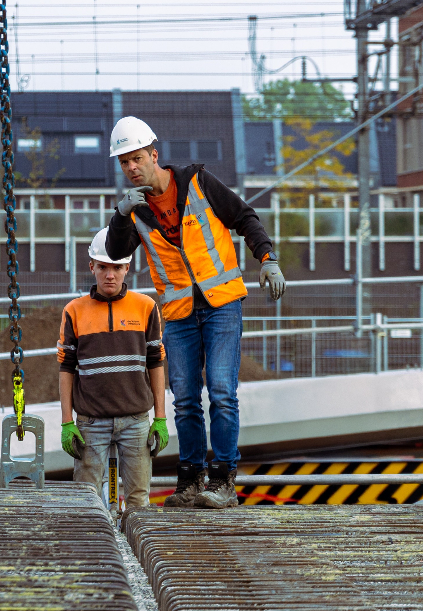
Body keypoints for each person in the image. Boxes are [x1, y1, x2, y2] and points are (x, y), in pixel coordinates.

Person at [101, 115, 287, 509]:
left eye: (136, 159)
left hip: (221, 304)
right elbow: (116, 254)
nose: (131, 168)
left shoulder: (198, 183)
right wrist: (119, 216)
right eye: (123, 163)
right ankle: (190, 480)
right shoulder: (135, 211)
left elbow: (244, 216)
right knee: (184, 397)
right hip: (180, 311)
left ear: (154, 154)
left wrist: (267, 258)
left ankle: (223, 480)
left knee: (221, 392)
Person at [59, 229, 169, 514]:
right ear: (92, 267)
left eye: (117, 267)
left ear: (127, 268)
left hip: (136, 421)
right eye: (104, 267)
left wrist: (160, 417)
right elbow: (66, 368)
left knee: (138, 504)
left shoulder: (146, 307)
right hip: (90, 423)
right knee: (89, 503)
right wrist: (66, 421)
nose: (110, 275)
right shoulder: (74, 311)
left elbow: (156, 362)